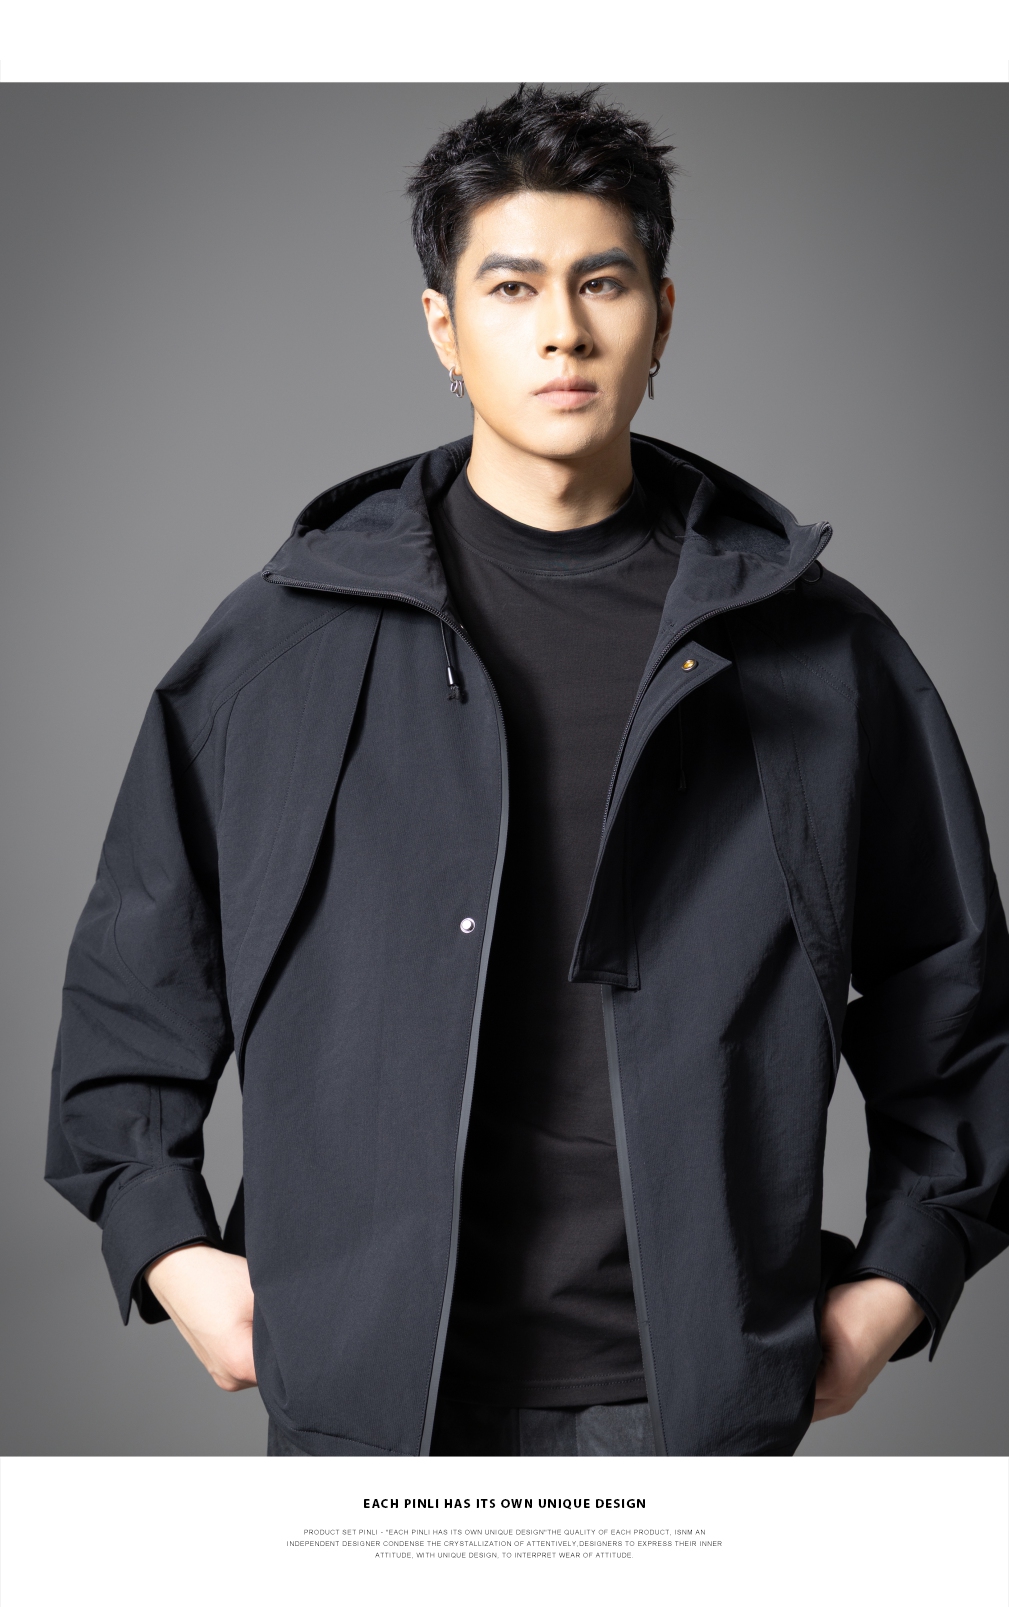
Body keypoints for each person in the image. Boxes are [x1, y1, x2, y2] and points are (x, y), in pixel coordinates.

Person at [45, 85, 1009, 1459]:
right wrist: (168, 1248)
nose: (562, 329)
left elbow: (953, 988)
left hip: (695, 1408)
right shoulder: (282, 644)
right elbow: (136, 972)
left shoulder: (816, 650)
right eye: (511, 288)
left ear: (660, 314)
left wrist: (903, 1273)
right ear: (445, 327)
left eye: (600, 282)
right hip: (372, 1403)